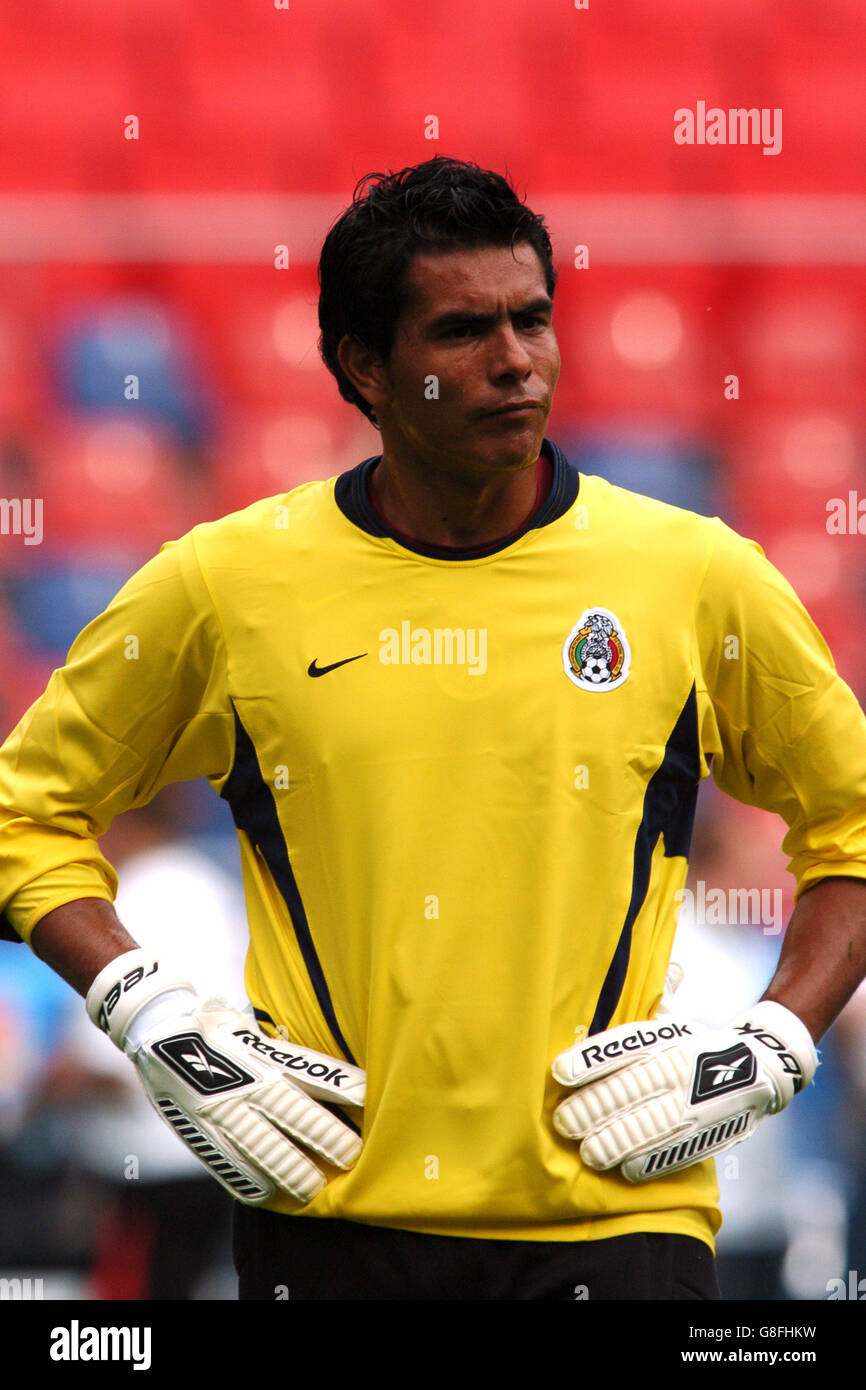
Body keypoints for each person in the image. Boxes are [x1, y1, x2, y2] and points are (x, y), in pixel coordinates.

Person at [0, 156, 865, 1302]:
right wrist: (154, 1018)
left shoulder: (696, 578)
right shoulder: (225, 586)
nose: (514, 359)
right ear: (364, 365)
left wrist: (774, 1044)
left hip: (618, 1231)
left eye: (532, 318)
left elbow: (849, 823)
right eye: (462, 330)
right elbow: (24, 812)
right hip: (327, 1224)